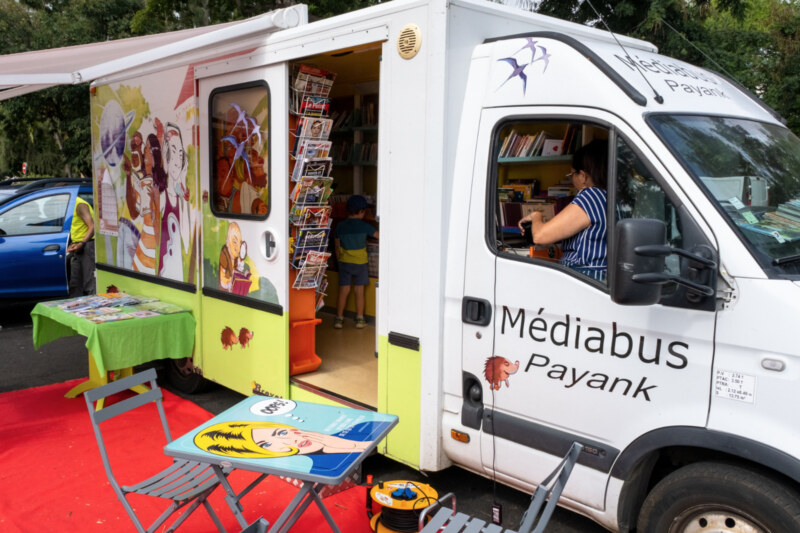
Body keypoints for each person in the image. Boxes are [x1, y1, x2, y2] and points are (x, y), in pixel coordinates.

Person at [518, 139, 608, 279]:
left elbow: (540, 236)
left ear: (583, 176)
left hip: (583, 277)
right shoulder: (610, 198)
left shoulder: (591, 195)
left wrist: (536, 216)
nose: (572, 180)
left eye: (572, 175)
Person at [194, 420, 393, 475]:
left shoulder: (360, 426)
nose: (288, 442)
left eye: (280, 433)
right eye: (268, 445)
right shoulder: (319, 470)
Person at [334, 195, 378, 329]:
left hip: (344, 262)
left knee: (344, 291)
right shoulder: (365, 226)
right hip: (360, 263)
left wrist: (339, 261)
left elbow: (337, 247)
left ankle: (339, 319)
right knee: (360, 291)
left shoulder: (340, 226)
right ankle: (360, 319)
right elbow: (378, 235)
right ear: (361, 212)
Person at [67, 195, 96, 296]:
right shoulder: (70, 206)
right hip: (78, 246)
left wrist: (82, 243)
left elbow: (92, 226)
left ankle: (94, 306)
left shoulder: (80, 205)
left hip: (87, 245)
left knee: (89, 281)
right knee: (75, 282)